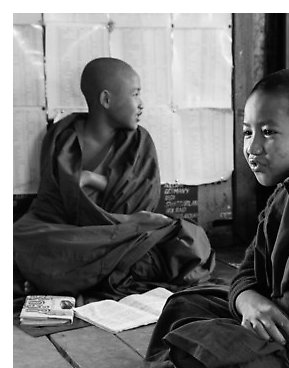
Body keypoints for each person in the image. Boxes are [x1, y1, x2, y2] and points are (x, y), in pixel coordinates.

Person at [135, 68, 289, 368]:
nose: (252, 147)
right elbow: (248, 270)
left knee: (212, 355)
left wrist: (263, 317)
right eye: (248, 131)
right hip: (274, 323)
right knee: (186, 303)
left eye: (269, 132)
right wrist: (249, 301)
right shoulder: (285, 194)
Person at [13, 57, 215, 302]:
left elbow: (144, 200)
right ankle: (89, 270)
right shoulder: (62, 137)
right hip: (77, 233)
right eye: (135, 94)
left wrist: (93, 180)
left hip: (125, 237)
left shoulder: (139, 142)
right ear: (106, 100)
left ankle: (64, 275)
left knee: (191, 242)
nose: (141, 104)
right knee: (20, 235)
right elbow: (49, 204)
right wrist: (131, 220)